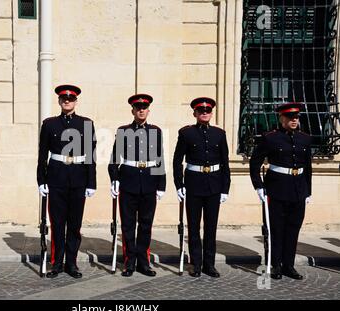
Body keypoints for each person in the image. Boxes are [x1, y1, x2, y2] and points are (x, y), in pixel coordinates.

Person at [37, 84, 97, 279]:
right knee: (57, 223)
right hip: (56, 178)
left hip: (78, 178)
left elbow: (90, 156)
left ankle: (71, 263)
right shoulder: (49, 124)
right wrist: (41, 180)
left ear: (75, 101)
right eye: (64, 98)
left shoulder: (86, 123)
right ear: (59, 101)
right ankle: (56, 263)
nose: (67, 101)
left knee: (74, 224)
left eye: (70, 99)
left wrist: (91, 182)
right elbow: (42, 155)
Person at [249, 102, 312, 280]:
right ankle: (275, 264)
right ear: (281, 118)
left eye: (296, 117)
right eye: (290, 117)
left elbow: (308, 167)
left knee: (293, 229)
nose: (294, 120)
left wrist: (308, 191)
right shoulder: (270, 138)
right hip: (276, 189)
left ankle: (288, 265)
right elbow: (255, 163)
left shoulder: (305, 138)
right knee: (276, 229)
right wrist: (259, 186)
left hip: (298, 189)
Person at [108, 93, 166, 277]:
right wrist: (114, 179)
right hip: (128, 182)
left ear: (148, 110)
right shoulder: (123, 130)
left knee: (146, 225)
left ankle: (144, 262)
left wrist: (161, 185)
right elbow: (114, 160)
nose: (141, 110)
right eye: (138, 107)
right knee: (128, 225)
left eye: (144, 107)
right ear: (132, 110)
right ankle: (129, 262)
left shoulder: (156, 131)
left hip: (149, 183)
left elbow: (159, 159)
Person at [172, 97, 230, 278]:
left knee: (211, 227)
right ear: (195, 113)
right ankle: (196, 264)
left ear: (211, 113)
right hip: (193, 185)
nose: (204, 113)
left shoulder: (219, 134)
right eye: (201, 111)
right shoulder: (186, 133)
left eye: (207, 111)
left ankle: (209, 264)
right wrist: (179, 184)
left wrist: (225, 188)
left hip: (214, 184)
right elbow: (177, 161)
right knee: (194, 227)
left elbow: (225, 163)